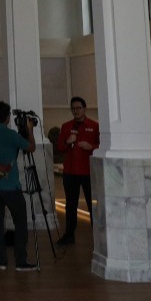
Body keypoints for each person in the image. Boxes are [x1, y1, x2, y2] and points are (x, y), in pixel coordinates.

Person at [0, 102, 38, 272]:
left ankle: (2, 261)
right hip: (11, 186)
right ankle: (20, 261)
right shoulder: (11, 135)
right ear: (7, 117)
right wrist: (29, 129)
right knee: (20, 223)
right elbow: (31, 147)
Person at [54, 96, 99, 245]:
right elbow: (60, 147)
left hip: (88, 172)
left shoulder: (94, 125)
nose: (76, 111)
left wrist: (91, 147)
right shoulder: (66, 126)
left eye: (79, 108)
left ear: (84, 109)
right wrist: (68, 141)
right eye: (73, 109)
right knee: (71, 205)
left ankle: (98, 235)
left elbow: (102, 147)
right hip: (70, 172)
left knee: (92, 205)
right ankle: (69, 235)